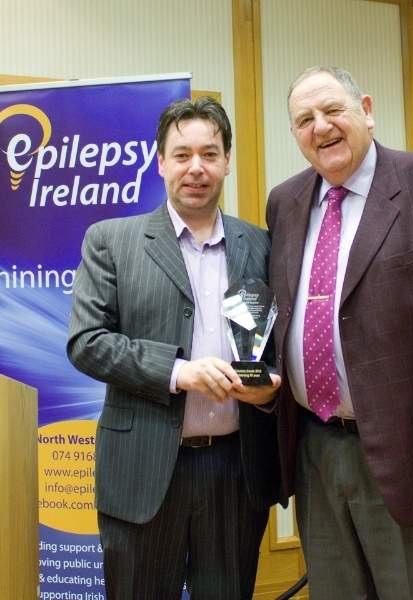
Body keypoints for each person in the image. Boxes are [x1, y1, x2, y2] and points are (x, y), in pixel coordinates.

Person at [267, 66, 413, 600]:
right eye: (304, 119)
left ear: (365, 110)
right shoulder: (285, 202)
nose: (320, 126)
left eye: (332, 110)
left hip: (409, 449)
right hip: (314, 447)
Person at [67, 96, 282, 600]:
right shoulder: (111, 241)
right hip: (142, 471)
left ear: (227, 160)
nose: (196, 168)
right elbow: (87, 343)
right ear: (160, 161)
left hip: (235, 472)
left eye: (209, 154)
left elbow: (274, 348)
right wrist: (178, 372)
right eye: (182, 155)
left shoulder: (261, 244)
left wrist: (269, 391)